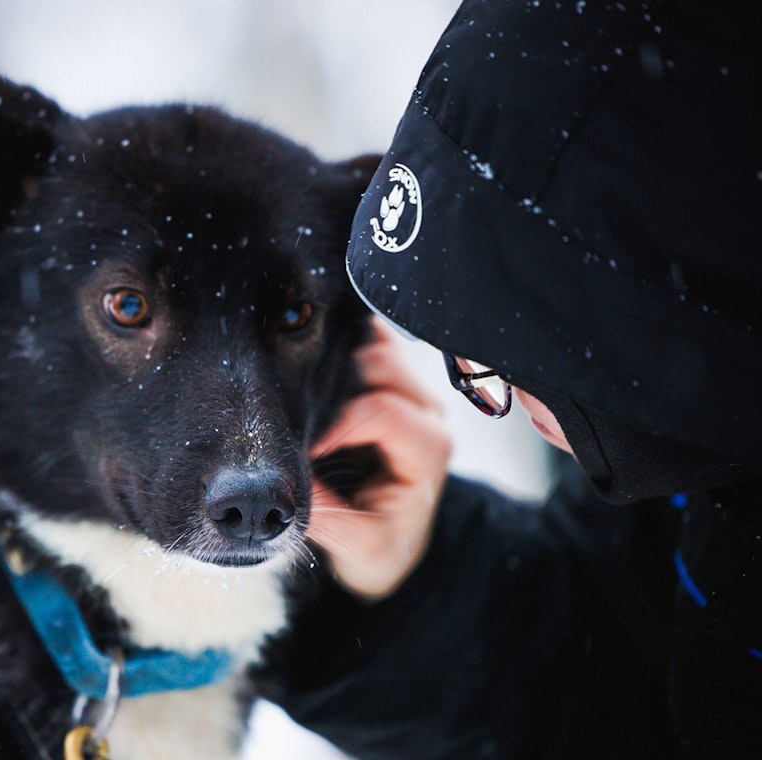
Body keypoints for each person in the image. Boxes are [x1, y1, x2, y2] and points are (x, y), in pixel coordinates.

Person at [267, 1, 762, 758]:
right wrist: (409, 582)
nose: (492, 403)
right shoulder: (703, 461)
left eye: (531, 355)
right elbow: (620, 677)